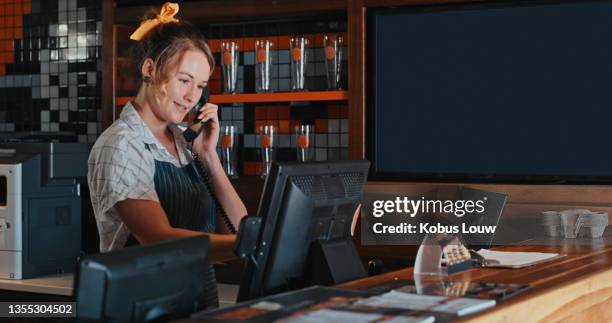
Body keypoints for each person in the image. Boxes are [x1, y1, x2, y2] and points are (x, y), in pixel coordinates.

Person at [87, 3, 247, 308]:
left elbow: (238, 228)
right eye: (184, 80)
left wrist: (209, 157)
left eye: (200, 86)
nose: (192, 97)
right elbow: (158, 240)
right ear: (149, 70)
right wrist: (250, 244)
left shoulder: (185, 144)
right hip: (145, 306)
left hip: (197, 301)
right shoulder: (122, 145)